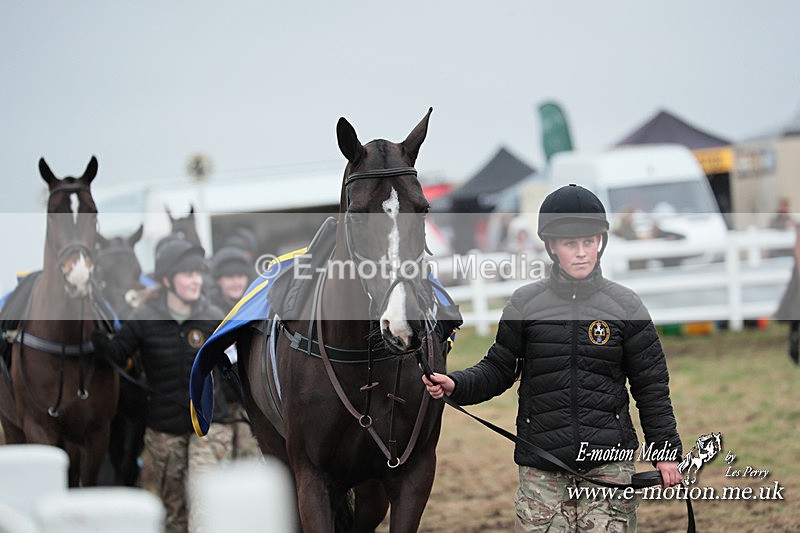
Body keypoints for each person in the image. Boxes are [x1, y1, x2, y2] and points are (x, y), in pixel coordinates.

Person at [423, 184, 683, 532]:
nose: (581, 253)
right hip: (542, 469)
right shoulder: (525, 305)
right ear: (551, 247)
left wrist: (665, 453)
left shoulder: (627, 307)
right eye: (570, 244)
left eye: (589, 242)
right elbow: (499, 368)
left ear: (601, 243)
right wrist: (457, 383)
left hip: (608, 465)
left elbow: (651, 386)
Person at [92, 238, 229, 533]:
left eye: (198, 274)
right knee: (171, 515)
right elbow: (115, 354)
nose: (196, 281)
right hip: (163, 432)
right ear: (167, 279)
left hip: (208, 428)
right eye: (188, 274)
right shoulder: (143, 318)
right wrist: (94, 333)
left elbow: (234, 366)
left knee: (204, 513)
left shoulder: (213, 316)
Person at [207, 245, 262, 460]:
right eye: (229, 276)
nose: (235, 281)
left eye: (240, 275)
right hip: (221, 408)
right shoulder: (209, 314)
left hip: (251, 403)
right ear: (218, 280)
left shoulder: (257, 309)